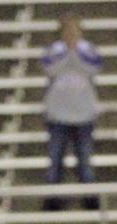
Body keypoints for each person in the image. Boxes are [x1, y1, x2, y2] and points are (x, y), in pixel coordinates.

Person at [40, 13, 102, 211]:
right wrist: (67, 52)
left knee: (84, 159)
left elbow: (93, 67)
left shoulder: (88, 49)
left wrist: (75, 52)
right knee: (55, 158)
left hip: (83, 115)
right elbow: (50, 68)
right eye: (68, 30)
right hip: (58, 115)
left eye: (74, 30)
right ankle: (52, 198)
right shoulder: (54, 50)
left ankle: (90, 197)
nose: (71, 34)